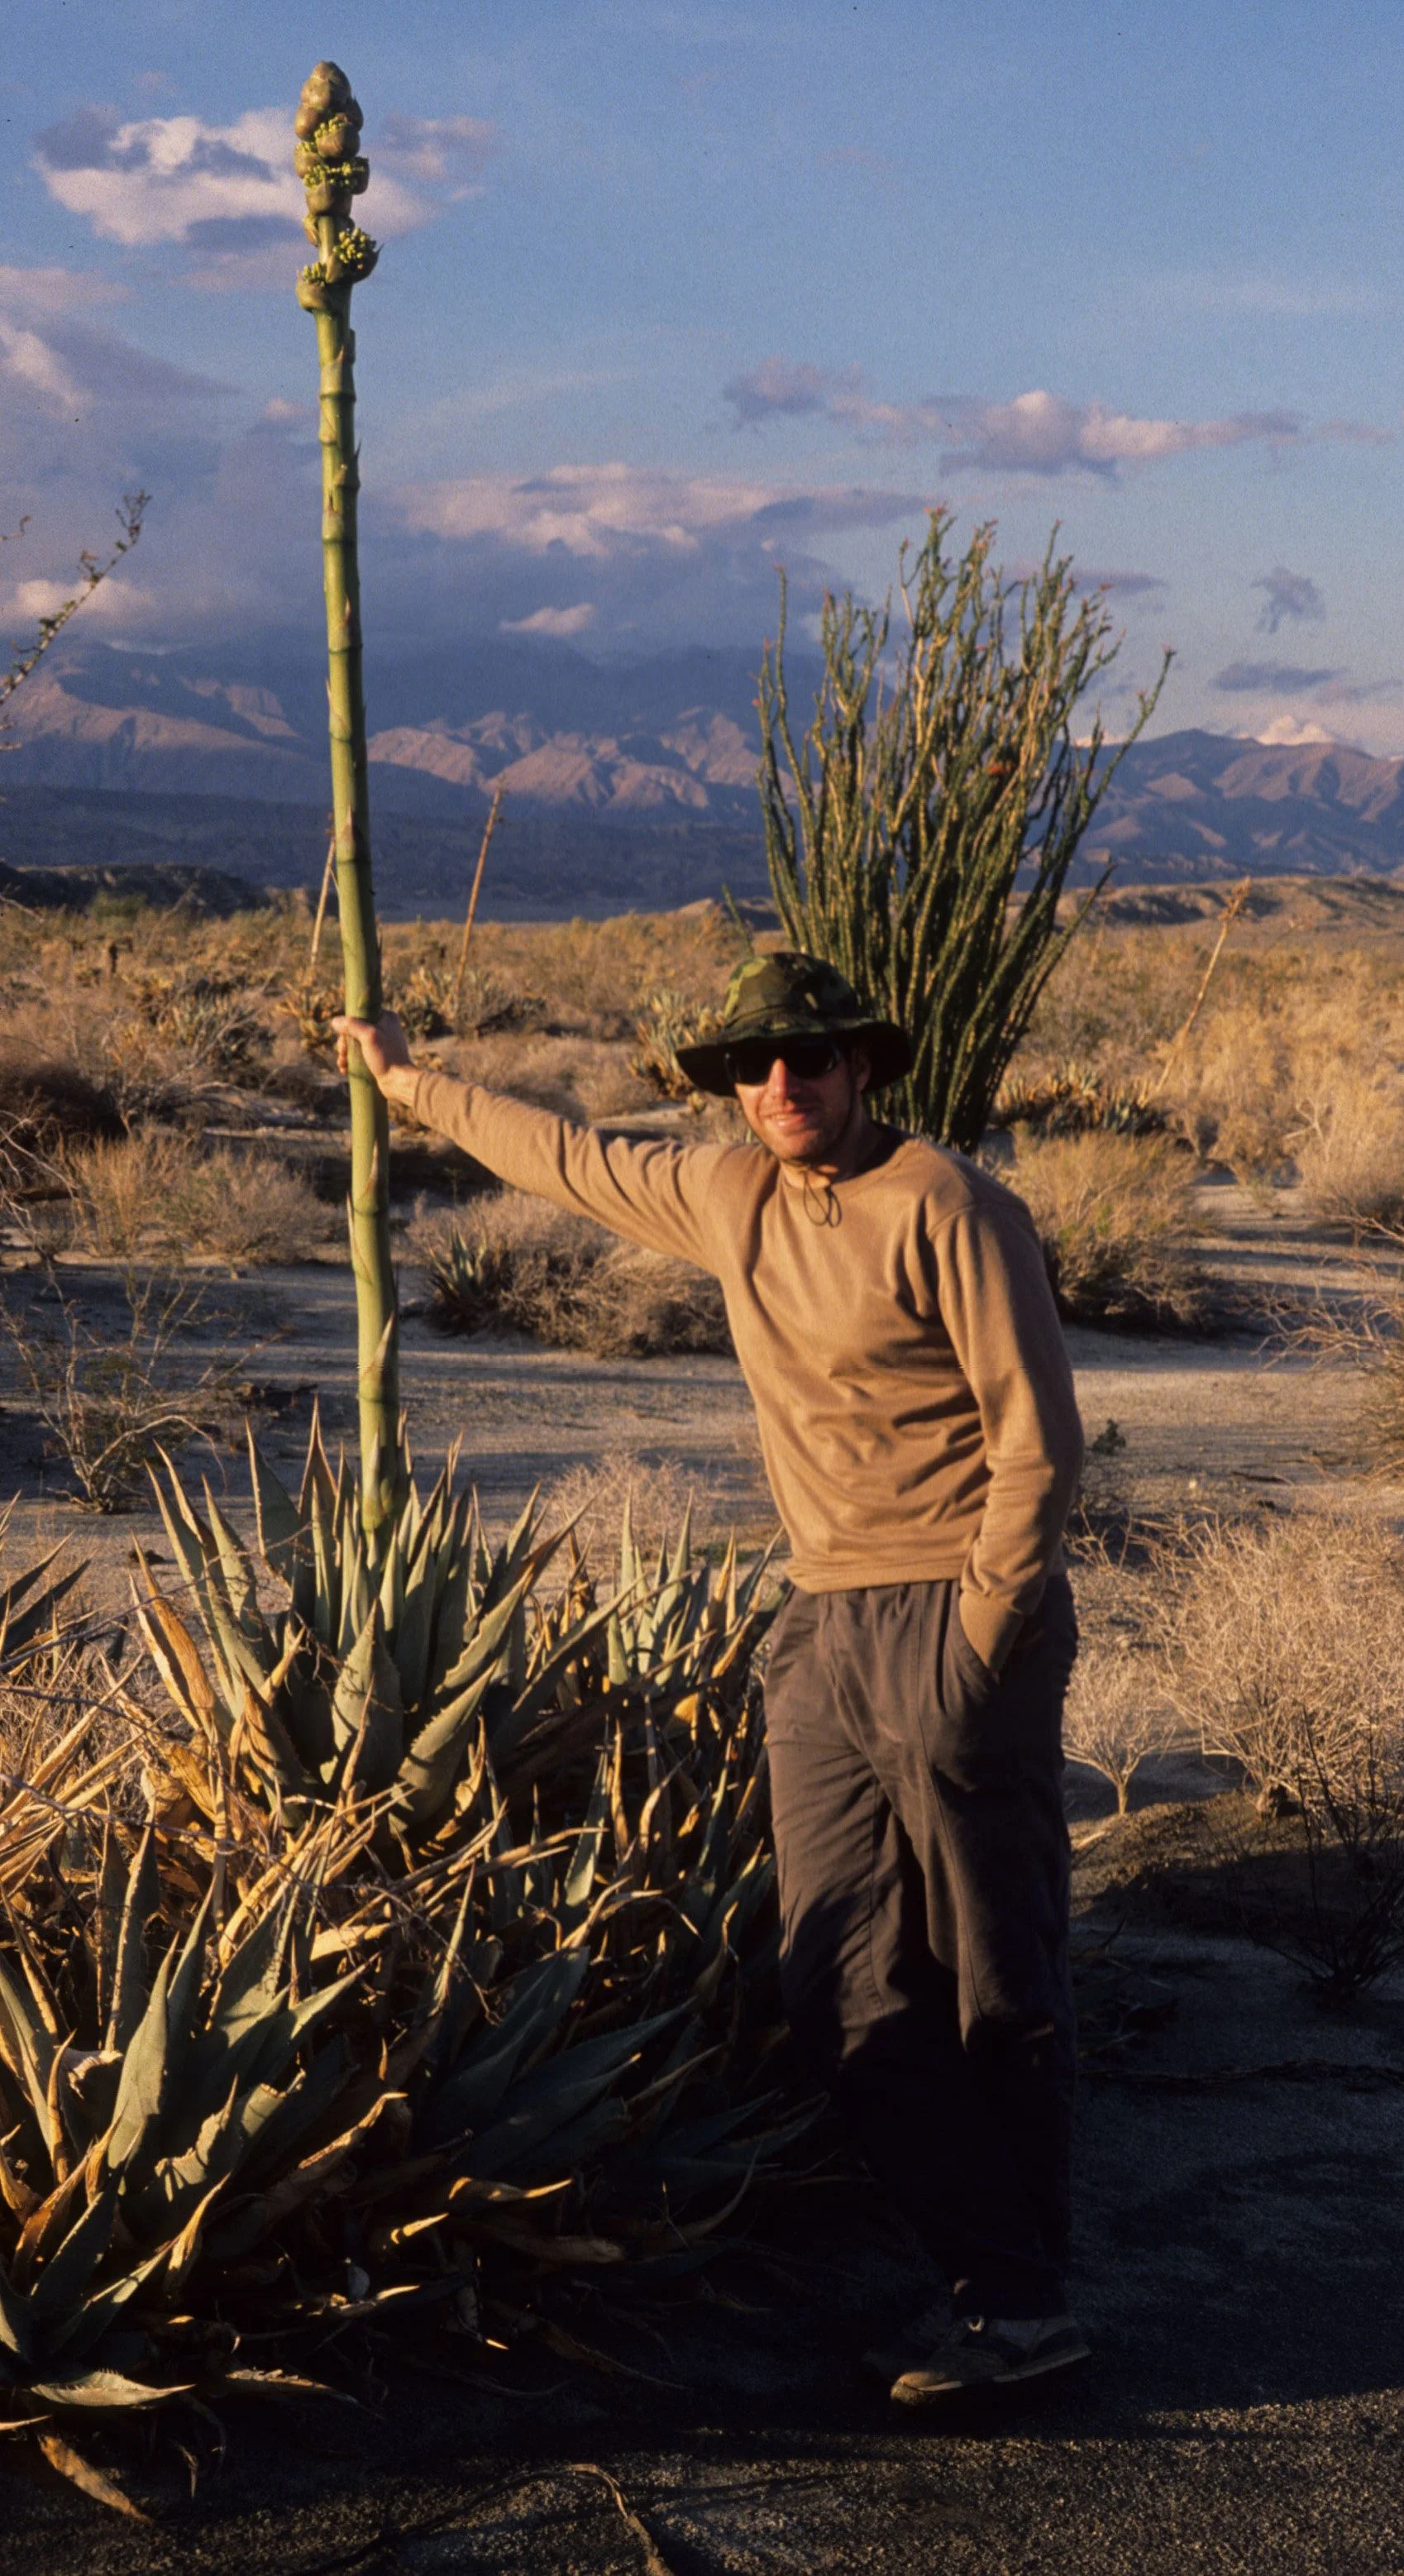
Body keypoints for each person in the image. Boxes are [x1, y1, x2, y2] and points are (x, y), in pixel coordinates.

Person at [334, 950, 1086, 2405]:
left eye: (806, 1061)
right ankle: (979, 2272)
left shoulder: (947, 1206)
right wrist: (404, 1075)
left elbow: (1039, 1443)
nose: (780, 1088)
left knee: (1000, 1970)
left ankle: (1018, 2298)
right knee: (841, 1974)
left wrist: (983, 1645)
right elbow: (563, 1154)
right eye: (752, 1067)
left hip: (953, 1612)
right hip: (817, 1623)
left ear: (864, 1066)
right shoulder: (733, 1192)